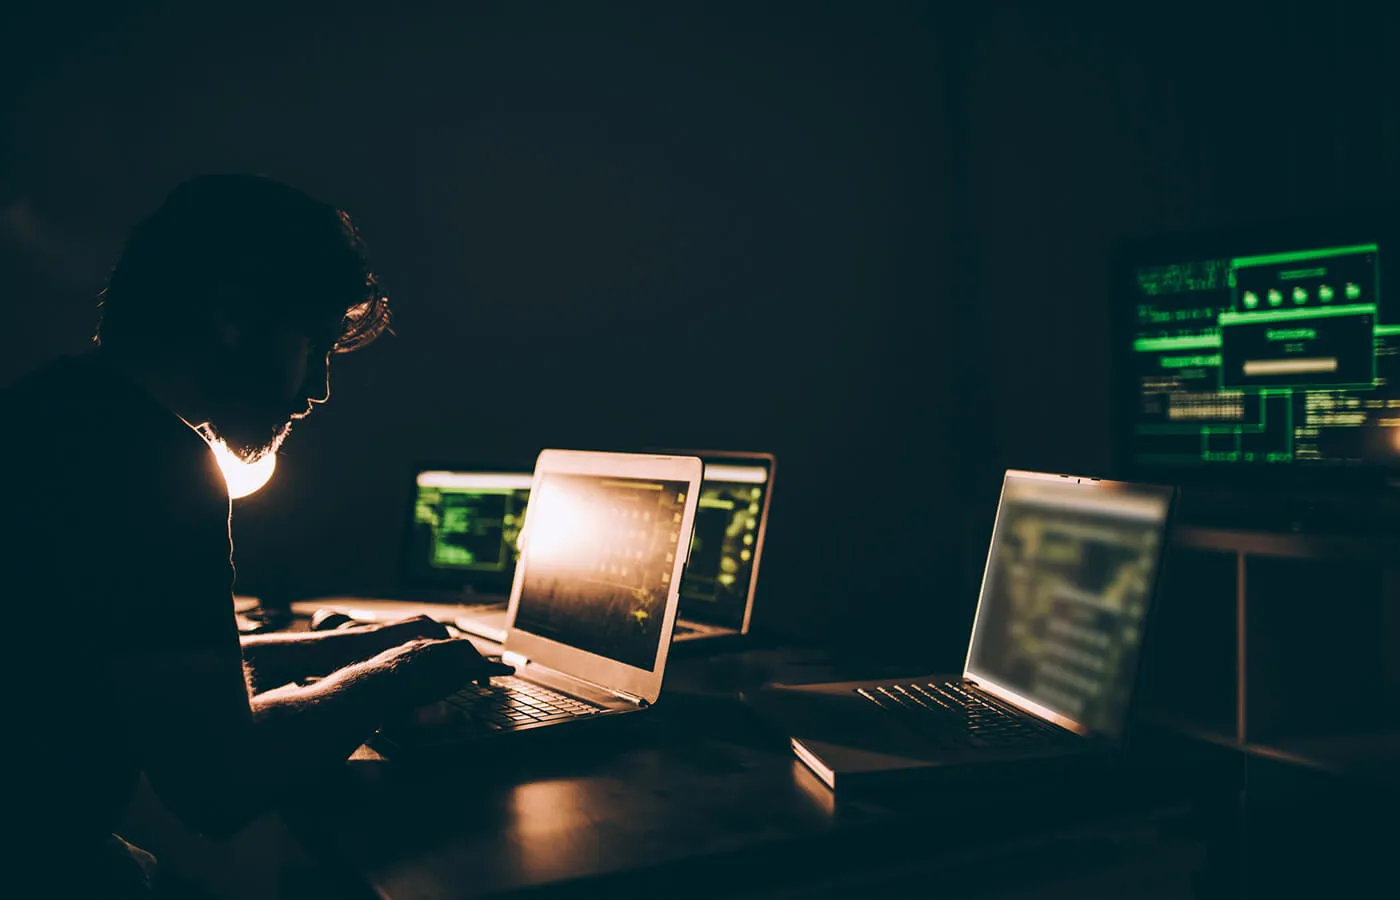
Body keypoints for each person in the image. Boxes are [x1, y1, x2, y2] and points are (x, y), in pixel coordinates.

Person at [0, 174, 510, 897]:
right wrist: (397, 678)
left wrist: (354, 646)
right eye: (317, 346)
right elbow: (219, 782)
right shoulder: (149, 464)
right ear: (233, 316)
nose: (321, 387)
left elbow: (162, 663)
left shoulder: (54, 412)